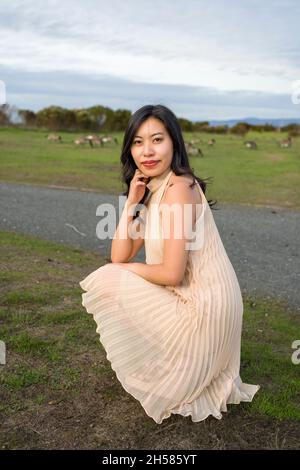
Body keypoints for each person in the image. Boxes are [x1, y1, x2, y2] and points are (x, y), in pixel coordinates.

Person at [79, 104, 259, 424]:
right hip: (190, 298)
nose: (147, 151)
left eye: (157, 139)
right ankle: (182, 359)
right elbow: (120, 253)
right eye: (137, 142)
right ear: (129, 149)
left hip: (206, 306)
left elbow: (170, 274)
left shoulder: (179, 187)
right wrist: (132, 203)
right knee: (112, 274)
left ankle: (192, 359)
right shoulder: (152, 190)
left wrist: (120, 271)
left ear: (174, 142)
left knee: (109, 279)